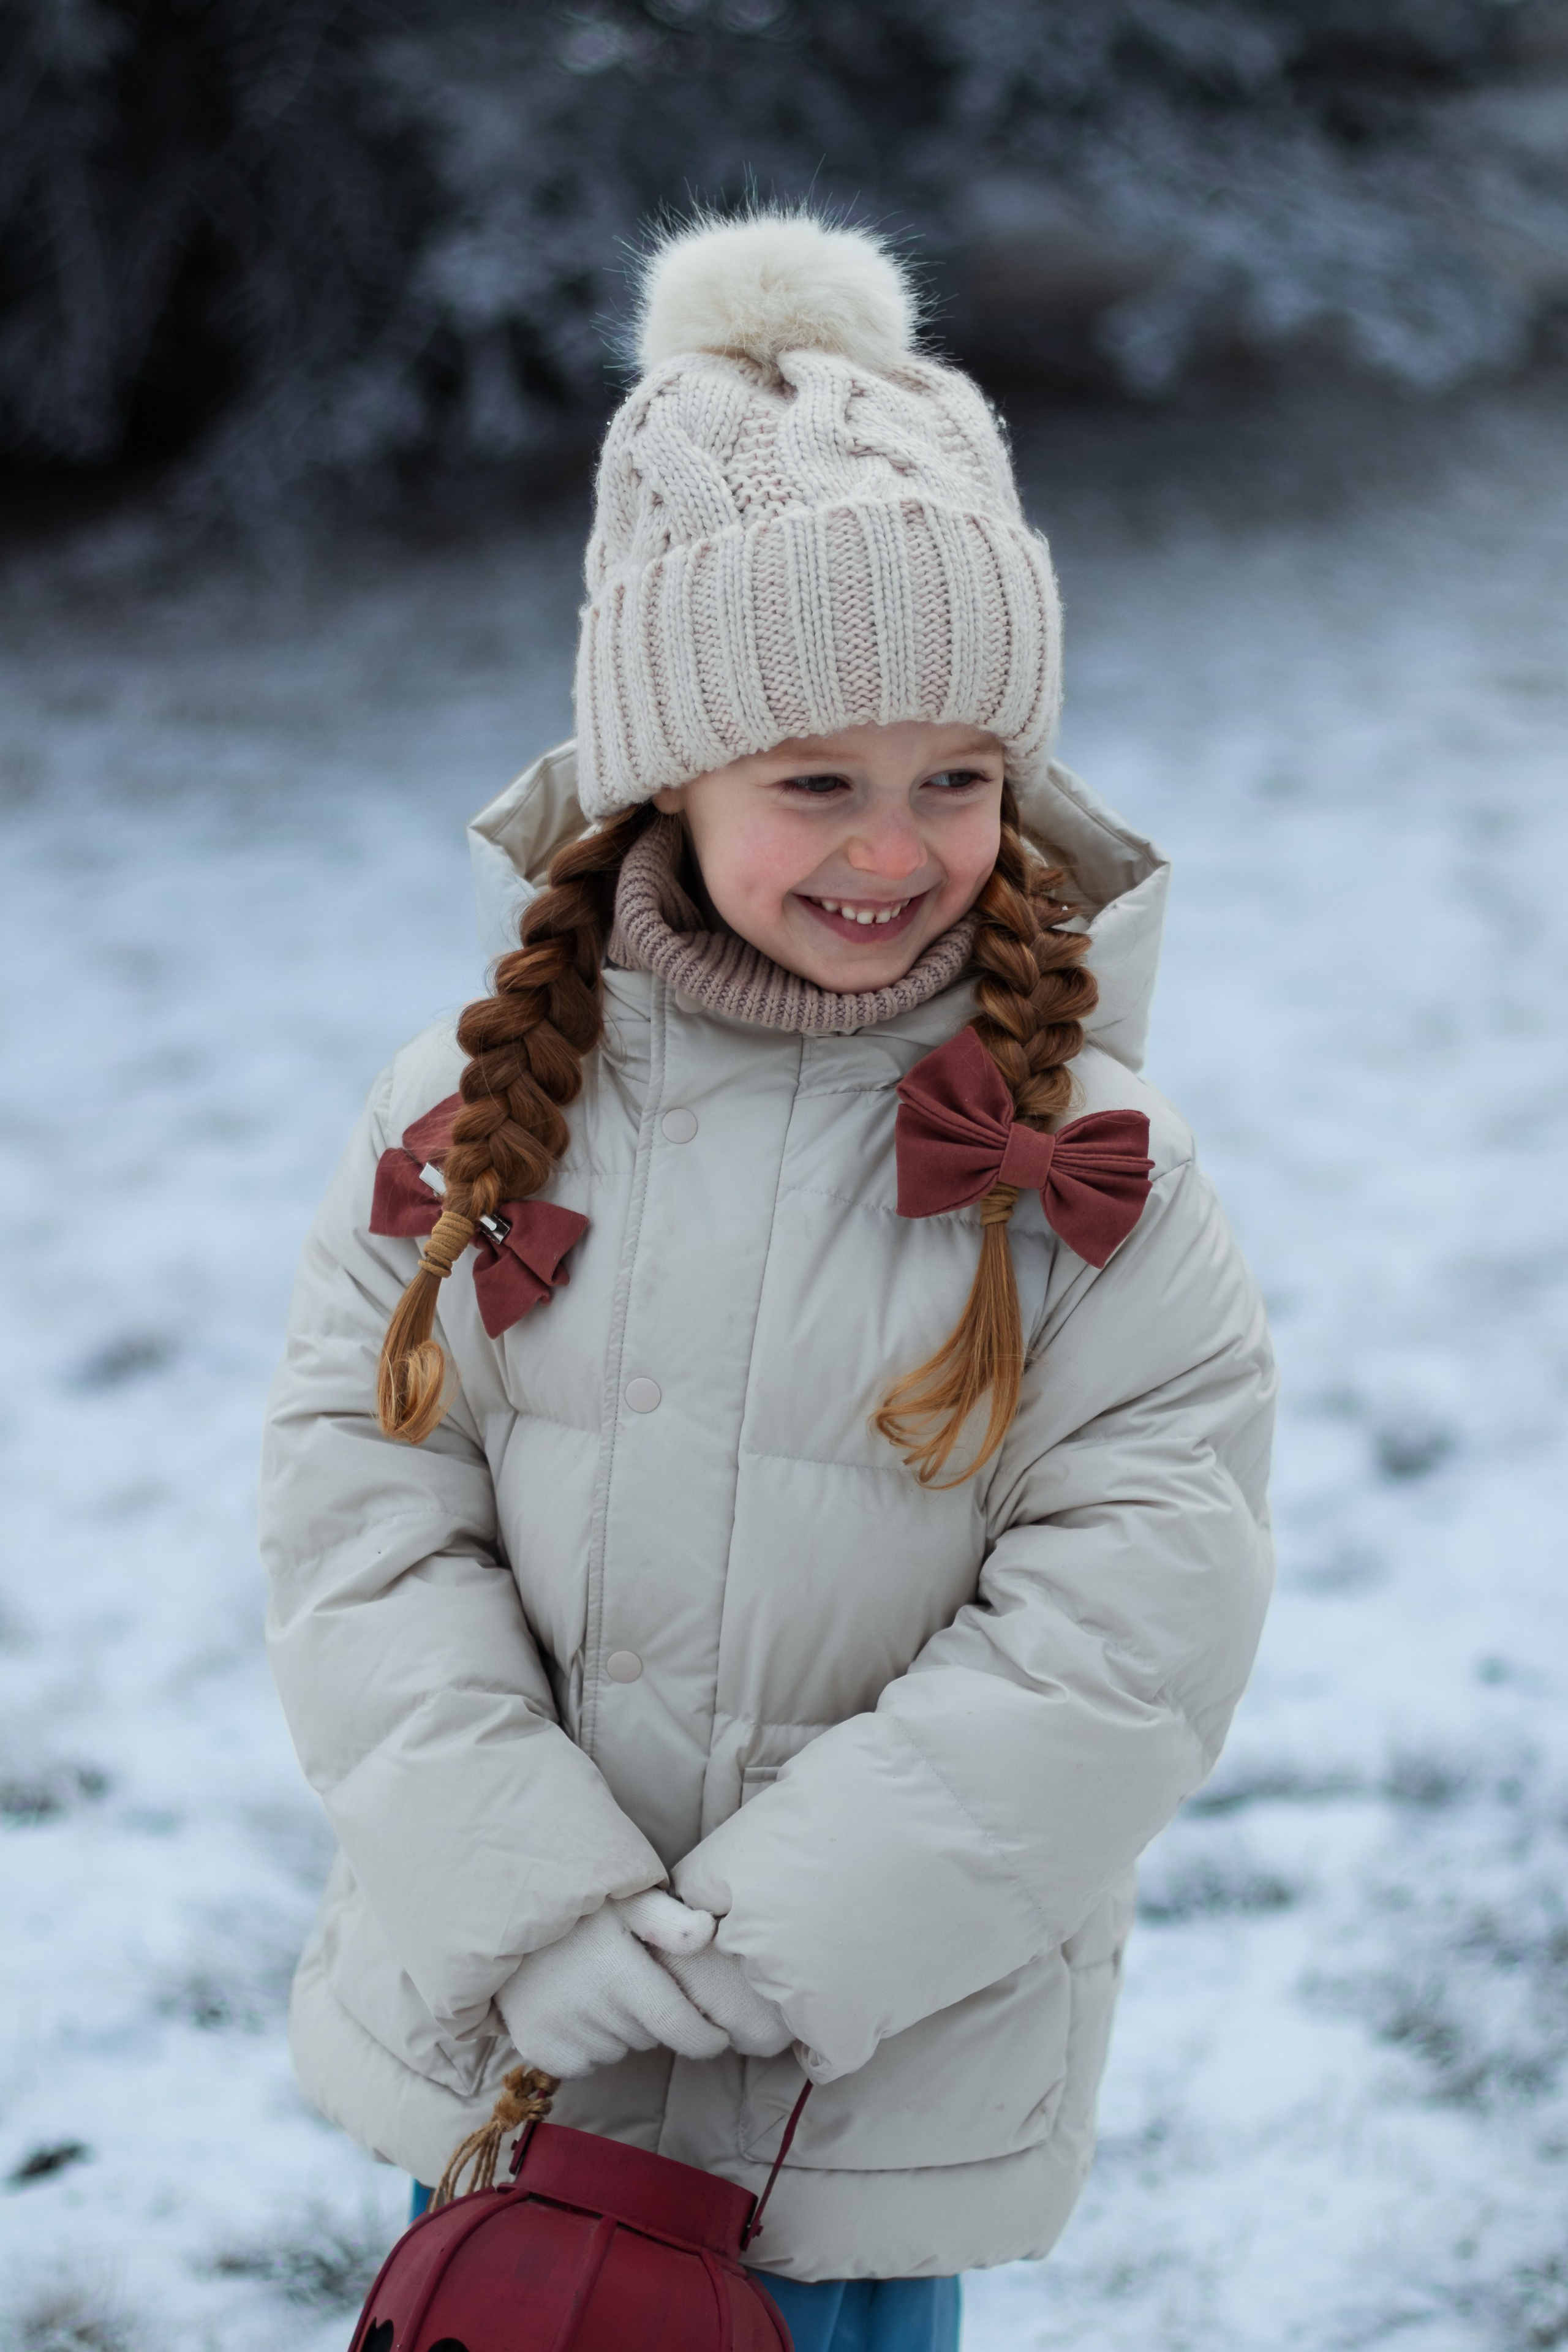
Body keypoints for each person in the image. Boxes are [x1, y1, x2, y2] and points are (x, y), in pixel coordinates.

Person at [259, 209, 1275, 2352]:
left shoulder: (1093, 1169)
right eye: (816, 780)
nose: (892, 850)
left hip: (855, 2092)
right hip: (512, 2056)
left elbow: (1129, 1632)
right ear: (667, 774)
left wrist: (762, 1948)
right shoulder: (470, 1111)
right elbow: (363, 1514)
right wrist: (537, 1907)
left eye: (958, 782)